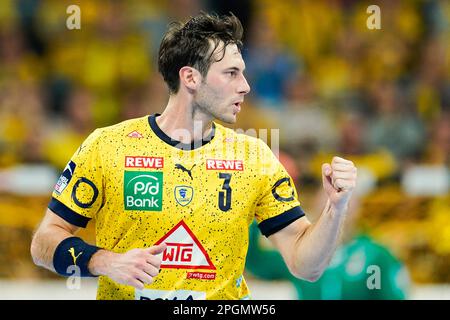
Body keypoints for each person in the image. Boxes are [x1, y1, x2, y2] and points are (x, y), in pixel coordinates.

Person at [30, 12, 357, 300]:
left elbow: (306, 266)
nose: (245, 86)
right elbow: (44, 242)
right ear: (190, 78)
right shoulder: (108, 146)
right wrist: (104, 262)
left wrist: (335, 207)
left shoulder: (254, 157)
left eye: (243, 73)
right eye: (231, 73)